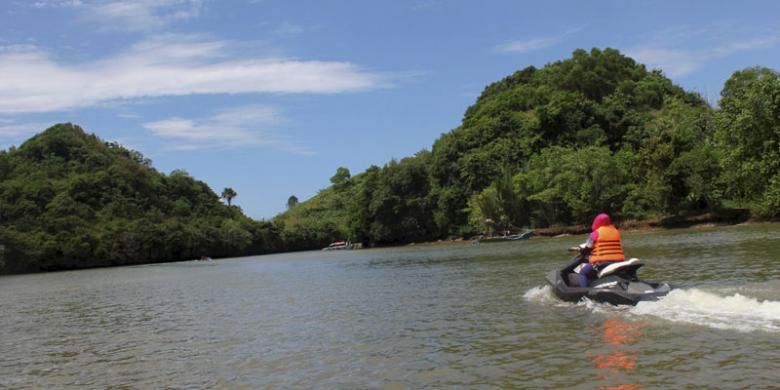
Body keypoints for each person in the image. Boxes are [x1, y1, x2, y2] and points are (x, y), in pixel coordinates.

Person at [574, 213, 625, 288]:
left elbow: (587, 249)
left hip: (602, 262)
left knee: (583, 273)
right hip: (618, 261)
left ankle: (583, 293)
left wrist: (581, 250)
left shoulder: (595, 233)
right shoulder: (615, 231)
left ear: (597, 222)